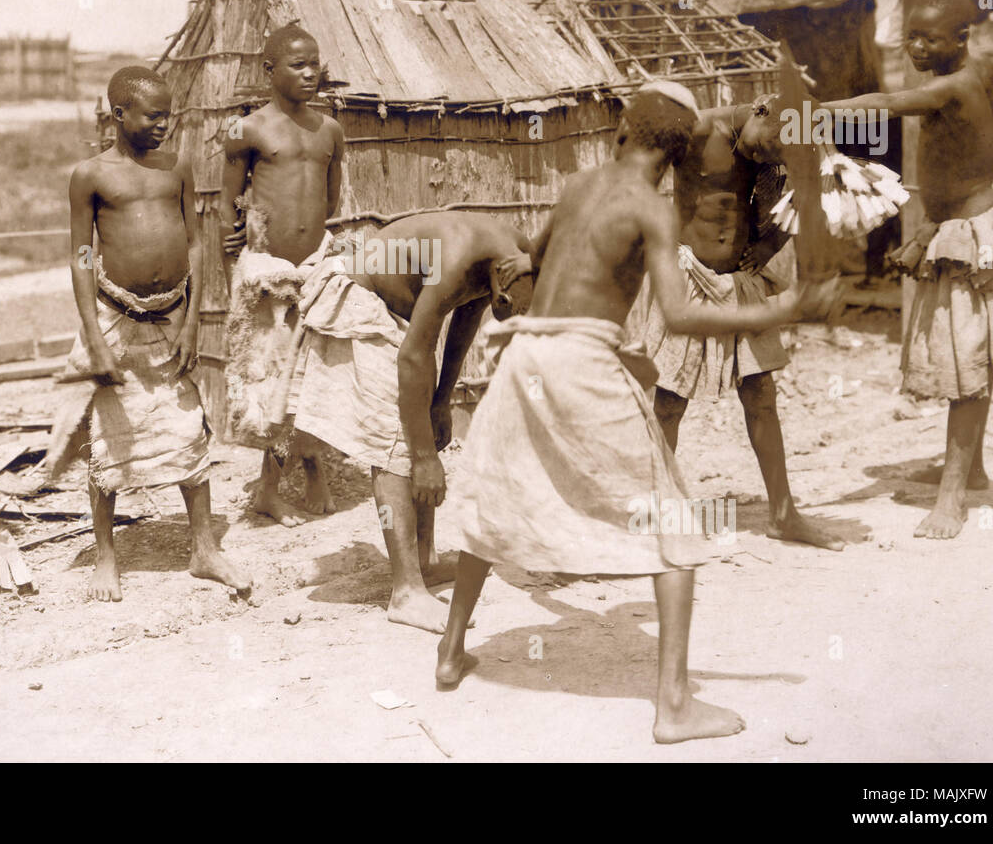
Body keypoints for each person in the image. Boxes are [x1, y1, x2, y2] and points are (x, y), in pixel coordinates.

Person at [435, 83, 840, 743]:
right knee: (675, 528)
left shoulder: (576, 185)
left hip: (524, 357)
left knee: (492, 501)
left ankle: (451, 651)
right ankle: (675, 705)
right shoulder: (653, 210)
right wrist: (779, 308)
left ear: (623, 132)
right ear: (681, 156)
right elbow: (681, 314)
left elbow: (534, 259)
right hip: (579, 359)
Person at [823, 0, 993, 539]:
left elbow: (891, 101)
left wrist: (817, 110)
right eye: (911, 36)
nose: (916, 48)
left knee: (968, 361)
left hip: (975, 238)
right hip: (955, 225)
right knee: (969, 357)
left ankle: (952, 498)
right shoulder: (989, 60)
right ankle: (973, 470)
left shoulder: (956, 84)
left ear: (962, 37)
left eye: (930, 40)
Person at [283, 212, 534, 633]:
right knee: (396, 437)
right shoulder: (459, 256)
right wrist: (424, 458)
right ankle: (405, 592)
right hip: (359, 297)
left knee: (421, 418)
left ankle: (424, 561)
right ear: (502, 285)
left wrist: (442, 401)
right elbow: (413, 356)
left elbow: (465, 314)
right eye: (504, 309)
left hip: (399, 309)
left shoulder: (515, 255)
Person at [626, 81, 844, 551]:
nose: (770, 160)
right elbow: (632, 181)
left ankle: (783, 514)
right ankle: (653, 516)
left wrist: (767, 245)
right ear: (762, 110)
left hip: (741, 286)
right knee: (668, 402)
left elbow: (800, 205)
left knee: (762, 395)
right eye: (771, 147)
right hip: (688, 280)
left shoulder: (780, 151)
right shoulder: (698, 131)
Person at [58, 66, 249, 600]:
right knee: (107, 434)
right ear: (120, 116)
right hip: (115, 315)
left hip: (171, 316)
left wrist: (191, 320)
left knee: (189, 429)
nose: (165, 124)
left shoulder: (178, 165)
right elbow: (80, 256)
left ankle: (205, 549)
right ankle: (106, 557)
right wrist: (93, 336)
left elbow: (194, 244)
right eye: (154, 115)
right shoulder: (90, 175)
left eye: (170, 114)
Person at [220, 24, 346, 525]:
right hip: (268, 274)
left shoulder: (330, 130)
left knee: (318, 372)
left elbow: (330, 199)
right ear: (269, 70)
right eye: (297, 64)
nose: (310, 72)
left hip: (315, 266)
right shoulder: (246, 129)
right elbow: (229, 201)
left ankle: (316, 469)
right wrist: (236, 242)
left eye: (314, 62)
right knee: (272, 379)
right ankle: (268, 490)